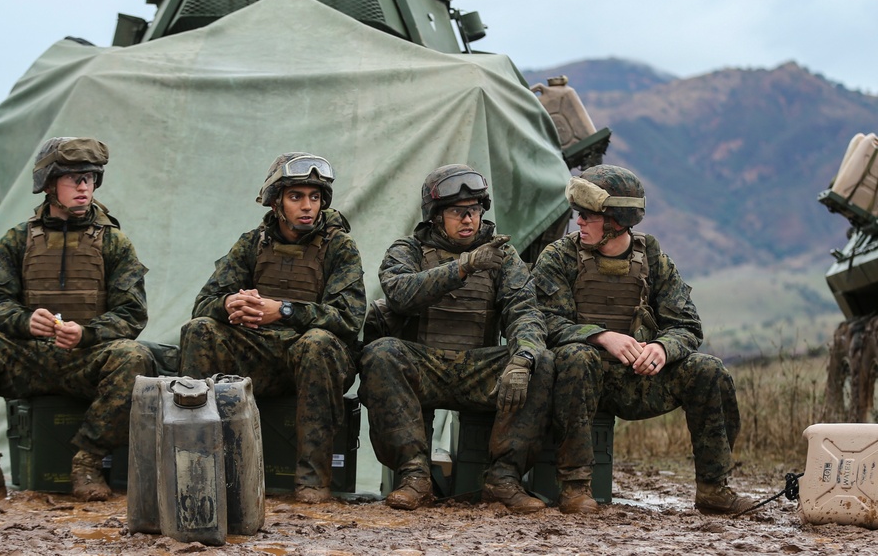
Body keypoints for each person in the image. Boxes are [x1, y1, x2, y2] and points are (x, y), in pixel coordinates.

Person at [0, 137, 153, 503]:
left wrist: (86, 333)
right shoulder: (18, 239)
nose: (84, 186)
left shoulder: (114, 243)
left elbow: (131, 314)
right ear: (50, 184)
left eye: (90, 178)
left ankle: (87, 463)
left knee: (134, 356)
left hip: (86, 359)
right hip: (28, 358)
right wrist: (23, 321)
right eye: (73, 178)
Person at [531, 164, 755, 515]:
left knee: (708, 370)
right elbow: (544, 321)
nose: (579, 223)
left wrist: (662, 348)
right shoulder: (559, 257)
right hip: (580, 381)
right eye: (579, 215)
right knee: (577, 356)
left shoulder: (653, 260)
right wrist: (602, 337)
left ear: (616, 221)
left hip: (639, 380)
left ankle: (714, 487)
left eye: (588, 216)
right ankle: (575, 488)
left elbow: (687, 325)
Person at [359, 164, 554, 514]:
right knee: (381, 352)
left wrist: (523, 359)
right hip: (425, 367)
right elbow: (400, 293)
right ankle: (415, 477)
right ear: (435, 216)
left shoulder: (503, 256)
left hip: (477, 369)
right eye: (457, 212)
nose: (468, 219)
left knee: (542, 361)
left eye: (475, 210)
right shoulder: (408, 250)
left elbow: (525, 313)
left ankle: (503, 480)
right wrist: (463, 267)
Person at [178, 152, 365, 504]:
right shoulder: (253, 243)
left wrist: (283, 310)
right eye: (296, 197)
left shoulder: (339, 247)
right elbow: (203, 304)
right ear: (277, 201)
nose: (307, 206)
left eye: (314, 197)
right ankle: (196, 465)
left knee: (317, 342)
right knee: (200, 329)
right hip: (261, 358)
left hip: (314, 363)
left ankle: (312, 479)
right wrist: (229, 305)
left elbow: (349, 319)